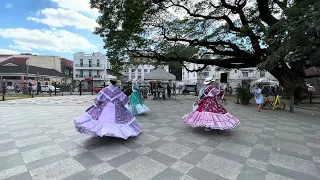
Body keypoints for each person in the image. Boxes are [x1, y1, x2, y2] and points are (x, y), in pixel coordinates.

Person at [74, 75, 141, 139]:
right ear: (115, 82)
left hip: (106, 106)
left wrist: (96, 104)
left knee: (102, 119)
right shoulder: (118, 90)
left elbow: (99, 98)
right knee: (117, 120)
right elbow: (124, 99)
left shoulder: (105, 89)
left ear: (109, 81)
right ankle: (114, 132)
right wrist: (126, 104)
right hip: (117, 107)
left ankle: (105, 131)